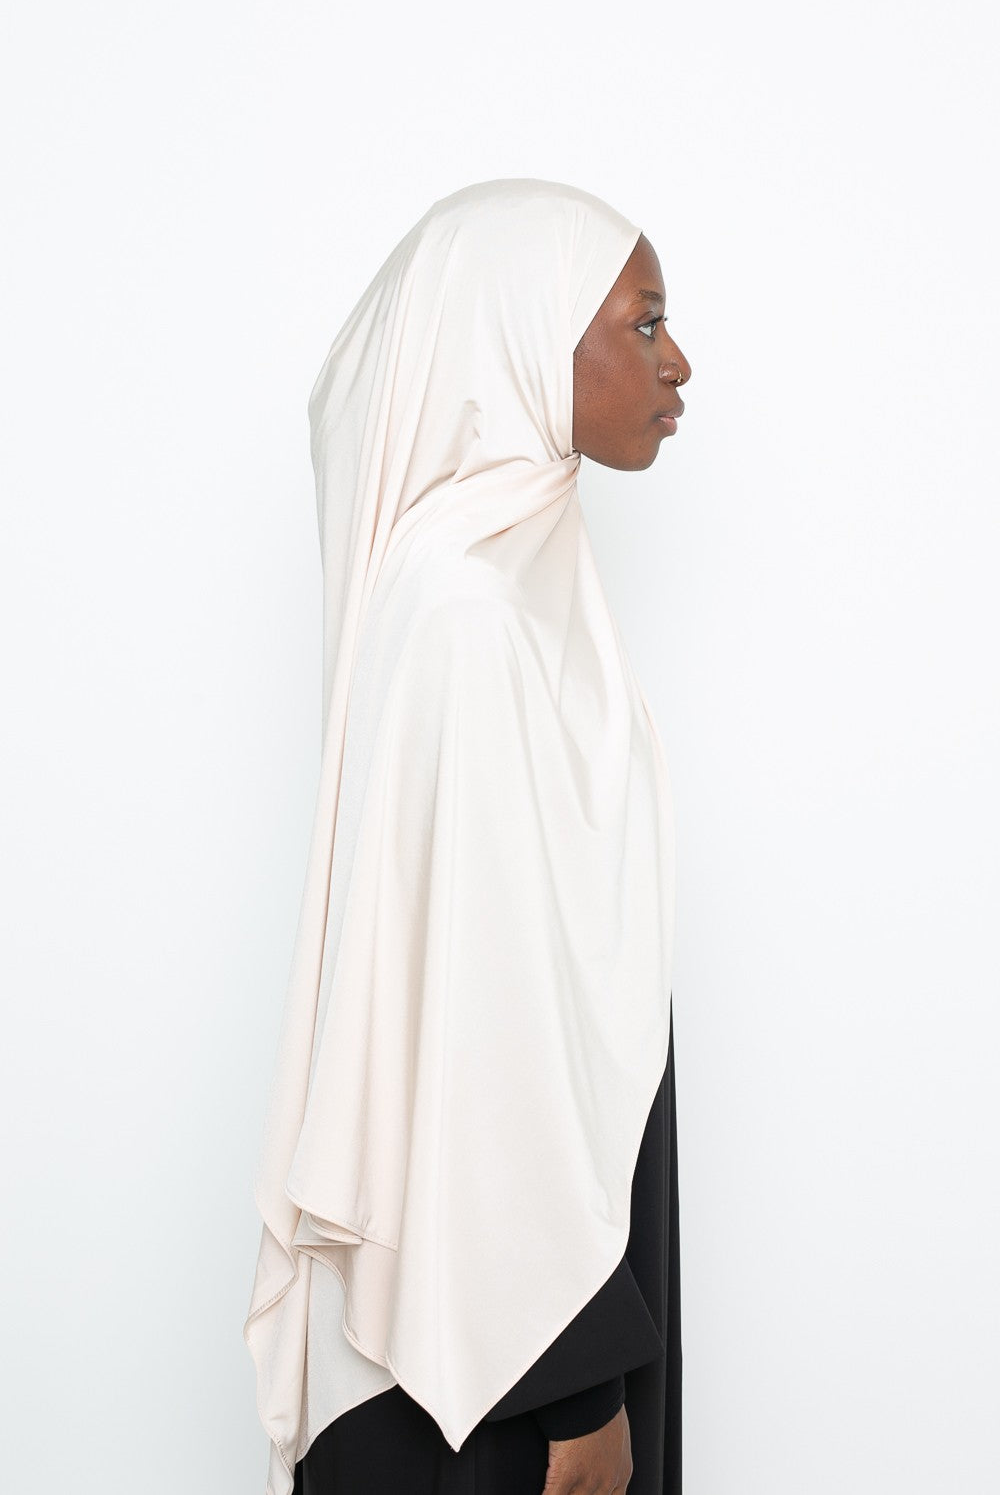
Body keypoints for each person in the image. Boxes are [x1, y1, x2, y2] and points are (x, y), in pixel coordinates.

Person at [244, 178, 692, 1495]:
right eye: (644, 323)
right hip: (502, 1371)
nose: (678, 362)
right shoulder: (469, 617)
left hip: (511, 1314)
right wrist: (580, 1391)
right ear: (519, 339)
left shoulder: (497, 588)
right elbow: (491, 1022)